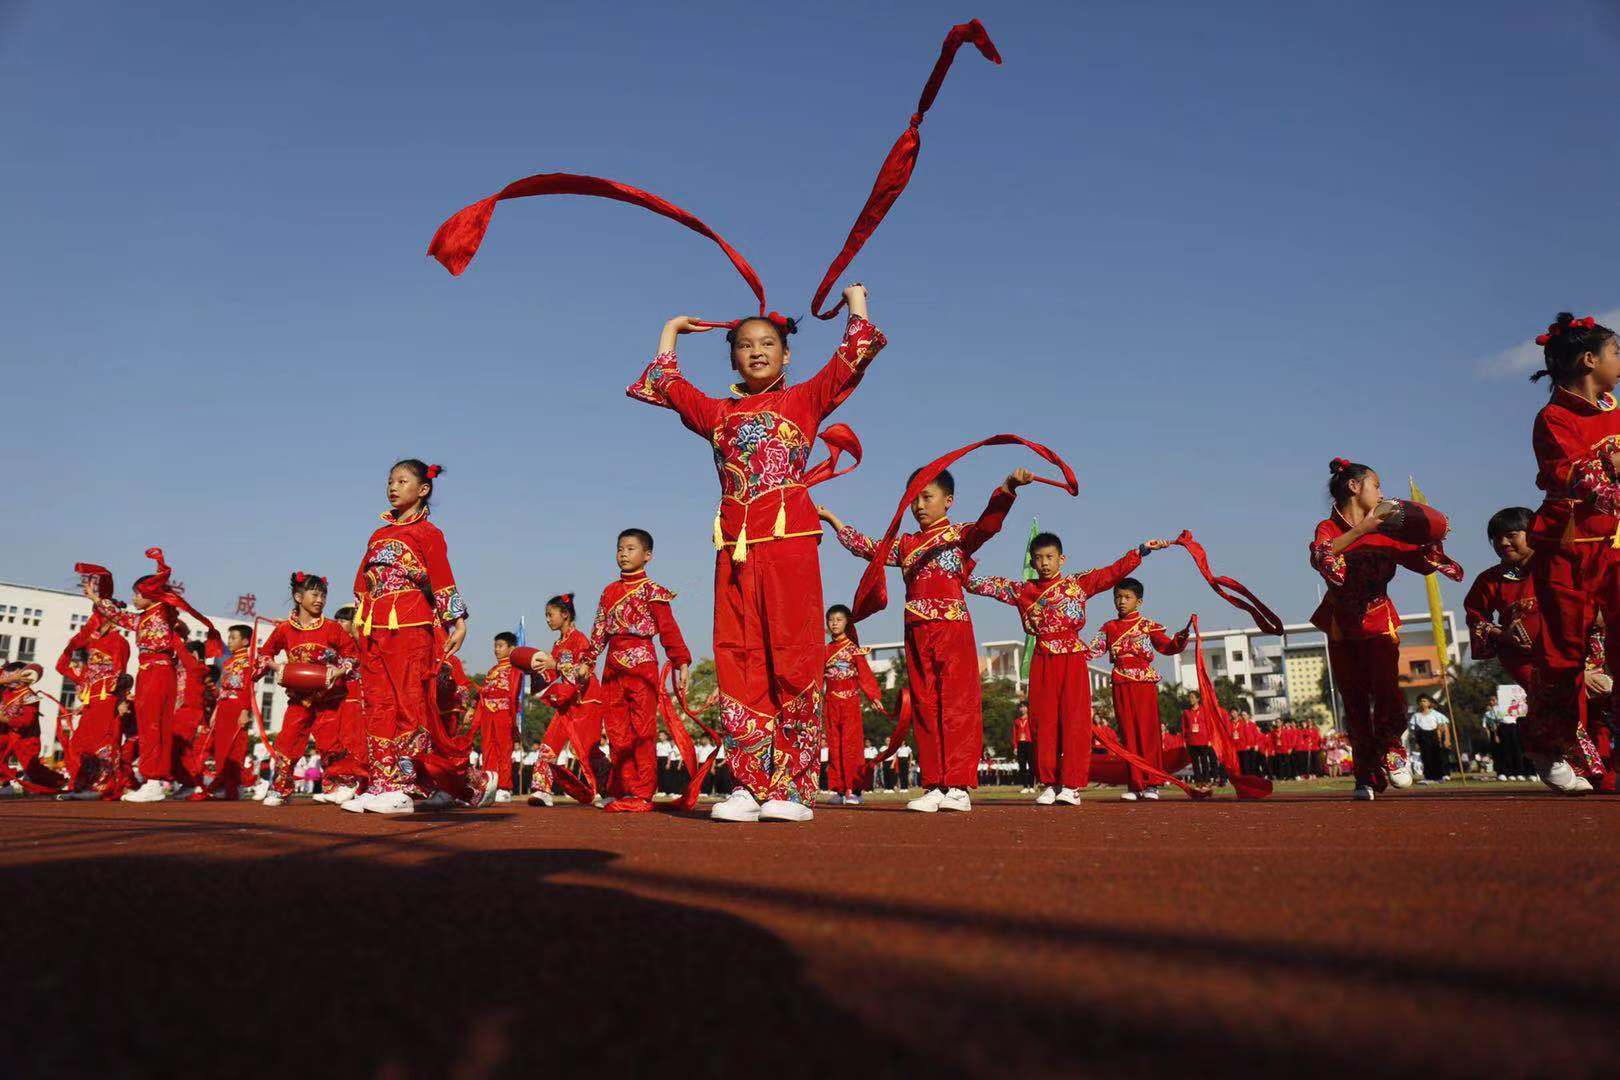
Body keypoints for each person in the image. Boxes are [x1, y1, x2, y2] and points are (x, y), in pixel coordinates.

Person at [629, 285, 884, 824]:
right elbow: (668, 384)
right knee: (737, 656)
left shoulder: (805, 399)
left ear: (787, 353)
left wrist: (856, 301)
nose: (757, 351)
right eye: (744, 345)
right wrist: (671, 329)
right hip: (735, 549)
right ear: (733, 358)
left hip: (789, 544)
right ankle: (747, 782)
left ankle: (791, 786)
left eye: (767, 343)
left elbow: (854, 352)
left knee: (792, 654)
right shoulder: (718, 413)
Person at [822, 466, 1032, 813]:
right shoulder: (906, 544)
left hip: (952, 628)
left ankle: (960, 785)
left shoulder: (959, 535)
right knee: (925, 706)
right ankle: (935, 783)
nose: (919, 505)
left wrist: (1007, 488)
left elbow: (988, 525)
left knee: (956, 704)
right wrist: (832, 519)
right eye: (914, 498)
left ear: (948, 501)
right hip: (916, 631)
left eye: (927, 496)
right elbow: (868, 550)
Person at [969, 531, 1167, 806]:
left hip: (1072, 657)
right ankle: (1050, 783)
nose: (1044, 563)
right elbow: (989, 585)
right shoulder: (1025, 590)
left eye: (1050, 557)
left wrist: (1140, 552)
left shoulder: (1078, 584)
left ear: (1061, 559)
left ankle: (1072, 785)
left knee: (1074, 720)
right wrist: (961, 567)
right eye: (1038, 559)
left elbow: (1110, 573)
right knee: (1043, 721)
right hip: (1042, 657)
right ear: (1032, 562)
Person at [1309, 458, 1463, 800]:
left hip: (1378, 619)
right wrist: (1365, 528)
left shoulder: (1391, 530)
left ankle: (1393, 747)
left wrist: (1431, 535)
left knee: (1386, 690)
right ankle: (1366, 774)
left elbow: (1423, 563)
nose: (1381, 493)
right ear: (1354, 487)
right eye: (1376, 485)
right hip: (1341, 626)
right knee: (1354, 700)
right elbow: (1322, 557)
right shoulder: (1328, 528)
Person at [1525, 312, 1620, 793]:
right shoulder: (1553, 418)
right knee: (1565, 657)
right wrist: (1610, 462)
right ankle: (1551, 741)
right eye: (1615, 352)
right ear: (1589, 359)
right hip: (1566, 546)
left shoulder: (1616, 410)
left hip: (1614, 546)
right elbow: (1579, 477)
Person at [343, 460, 470, 816]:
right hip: (374, 627)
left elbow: (443, 578)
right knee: (378, 705)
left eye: (402, 481)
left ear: (423, 489)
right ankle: (382, 782)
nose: (393, 487)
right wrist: (358, 616)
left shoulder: (428, 532)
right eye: (389, 481)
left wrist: (456, 620)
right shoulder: (378, 534)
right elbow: (362, 582)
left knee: (407, 704)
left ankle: (405, 786)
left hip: (410, 626)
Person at [86, 549, 222, 803]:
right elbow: (122, 616)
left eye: (137, 594)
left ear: (150, 593)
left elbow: (126, 613)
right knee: (151, 726)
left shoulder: (159, 612)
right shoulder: (148, 616)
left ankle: (153, 781)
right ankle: (154, 780)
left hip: (157, 671)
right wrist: (96, 599)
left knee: (153, 726)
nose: (134, 598)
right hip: (150, 672)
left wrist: (97, 597)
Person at [588, 529, 691, 814]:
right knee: (617, 731)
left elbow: (668, 630)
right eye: (620, 548)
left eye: (630, 548)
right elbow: (598, 632)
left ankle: (643, 793)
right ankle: (620, 788)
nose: (623, 553)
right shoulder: (608, 591)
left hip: (643, 663)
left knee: (642, 731)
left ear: (647, 556)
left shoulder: (653, 591)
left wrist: (681, 661)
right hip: (612, 666)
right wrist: (587, 661)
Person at [259, 573, 360, 808]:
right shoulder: (284, 629)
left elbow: (352, 654)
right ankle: (280, 789)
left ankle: (337, 785)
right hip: (298, 698)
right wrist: (274, 666)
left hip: (329, 697)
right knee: (288, 740)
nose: (320, 600)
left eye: (323, 595)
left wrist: (340, 670)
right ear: (298, 596)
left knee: (330, 741)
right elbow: (265, 654)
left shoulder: (332, 628)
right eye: (315, 594)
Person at [1090, 578, 1191, 802]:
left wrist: (1181, 638)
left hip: (1143, 683)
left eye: (1127, 597)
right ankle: (1135, 784)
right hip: (1120, 682)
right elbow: (1090, 652)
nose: (1121, 602)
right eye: (1117, 597)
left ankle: (1152, 783)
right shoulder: (1109, 627)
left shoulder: (1147, 626)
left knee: (1148, 733)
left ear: (1139, 601)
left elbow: (1167, 646)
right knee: (1128, 734)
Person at [528, 593, 609, 807]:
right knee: (549, 743)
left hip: (586, 701)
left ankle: (608, 787)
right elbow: (558, 676)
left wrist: (554, 665)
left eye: (550, 614)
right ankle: (542, 790)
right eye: (546, 615)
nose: (547, 619)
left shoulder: (579, 639)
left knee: (586, 749)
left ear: (565, 614)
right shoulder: (558, 643)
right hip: (566, 702)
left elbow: (582, 673)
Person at [54, 593, 132, 800]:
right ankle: (85, 784)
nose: (93, 622)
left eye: (97, 617)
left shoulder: (119, 643)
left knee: (103, 742)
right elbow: (61, 666)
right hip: (91, 702)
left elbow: (120, 675)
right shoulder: (91, 643)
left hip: (108, 701)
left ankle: (102, 786)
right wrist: (75, 644)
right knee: (79, 744)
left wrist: (122, 701)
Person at [190, 625, 260, 800]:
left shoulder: (249, 662)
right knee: (220, 750)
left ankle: (250, 783)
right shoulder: (229, 662)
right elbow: (222, 690)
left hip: (237, 707)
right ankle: (225, 785)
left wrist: (245, 711)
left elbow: (248, 689)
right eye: (229, 637)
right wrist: (215, 711)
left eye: (233, 638)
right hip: (223, 707)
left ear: (245, 641)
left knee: (234, 749)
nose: (229, 641)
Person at [822, 604, 882, 806]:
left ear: (847, 622)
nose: (834, 623)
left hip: (850, 702)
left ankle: (854, 790)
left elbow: (864, 674)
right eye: (830, 620)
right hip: (830, 702)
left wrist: (873, 695)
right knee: (834, 746)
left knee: (851, 746)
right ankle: (839, 790)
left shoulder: (853, 649)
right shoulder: (826, 650)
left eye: (839, 619)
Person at [0, 664, 66, 794]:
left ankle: (59, 782)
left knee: (32, 767)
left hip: (26, 737)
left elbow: (26, 722)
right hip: (8, 733)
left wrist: (4, 719)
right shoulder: (7, 691)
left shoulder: (29, 696)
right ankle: (5, 782)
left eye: (10, 674)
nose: (5, 677)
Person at [474, 632, 523, 803]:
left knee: (504, 749)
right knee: (488, 749)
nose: (496, 649)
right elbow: (483, 695)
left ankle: (504, 787)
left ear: (511, 648)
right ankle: (489, 785)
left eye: (500, 645)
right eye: (495, 645)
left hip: (503, 712)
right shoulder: (491, 671)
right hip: (488, 713)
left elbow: (514, 694)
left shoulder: (515, 669)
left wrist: (512, 717)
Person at [1410, 695, 1450, 783]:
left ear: (1429, 703)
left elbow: (1441, 726)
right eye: (1421, 701)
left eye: (1424, 701)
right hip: (1422, 736)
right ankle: (1428, 777)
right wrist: (1416, 741)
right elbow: (1414, 730)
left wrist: (1443, 739)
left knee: (1435, 756)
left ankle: (1439, 776)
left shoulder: (1435, 714)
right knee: (1425, 757)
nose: (1422, 703)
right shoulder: (1416, 716)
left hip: (1433, 735)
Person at [1182, 689, 1218, 785]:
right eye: (1189, 697)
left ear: (1198, 699)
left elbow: (1209, 725)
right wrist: (1184, 740)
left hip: (1203, 740)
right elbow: (1184, 727)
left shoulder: (1205, 710)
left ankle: (1206, 780)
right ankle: (1198, 780)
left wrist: (1210, 739)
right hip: (1191, 740)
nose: (1190, 699)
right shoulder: (1186, 712)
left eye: (1192, 697)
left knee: (1204, 761)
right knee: (1195, 763)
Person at [1011, 702, 1034, 793]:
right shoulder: (1017, 721)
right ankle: (1025, 786)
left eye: (1024, 707)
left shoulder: (1030, 720)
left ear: (1027, 708)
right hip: (1020, 744)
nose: (1022, 709)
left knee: (1031, 766)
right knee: (1022, 766)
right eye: (1021, 707)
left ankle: (1031, 786)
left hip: (1029, 743)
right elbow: (1014, 734)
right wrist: (1015, 747)